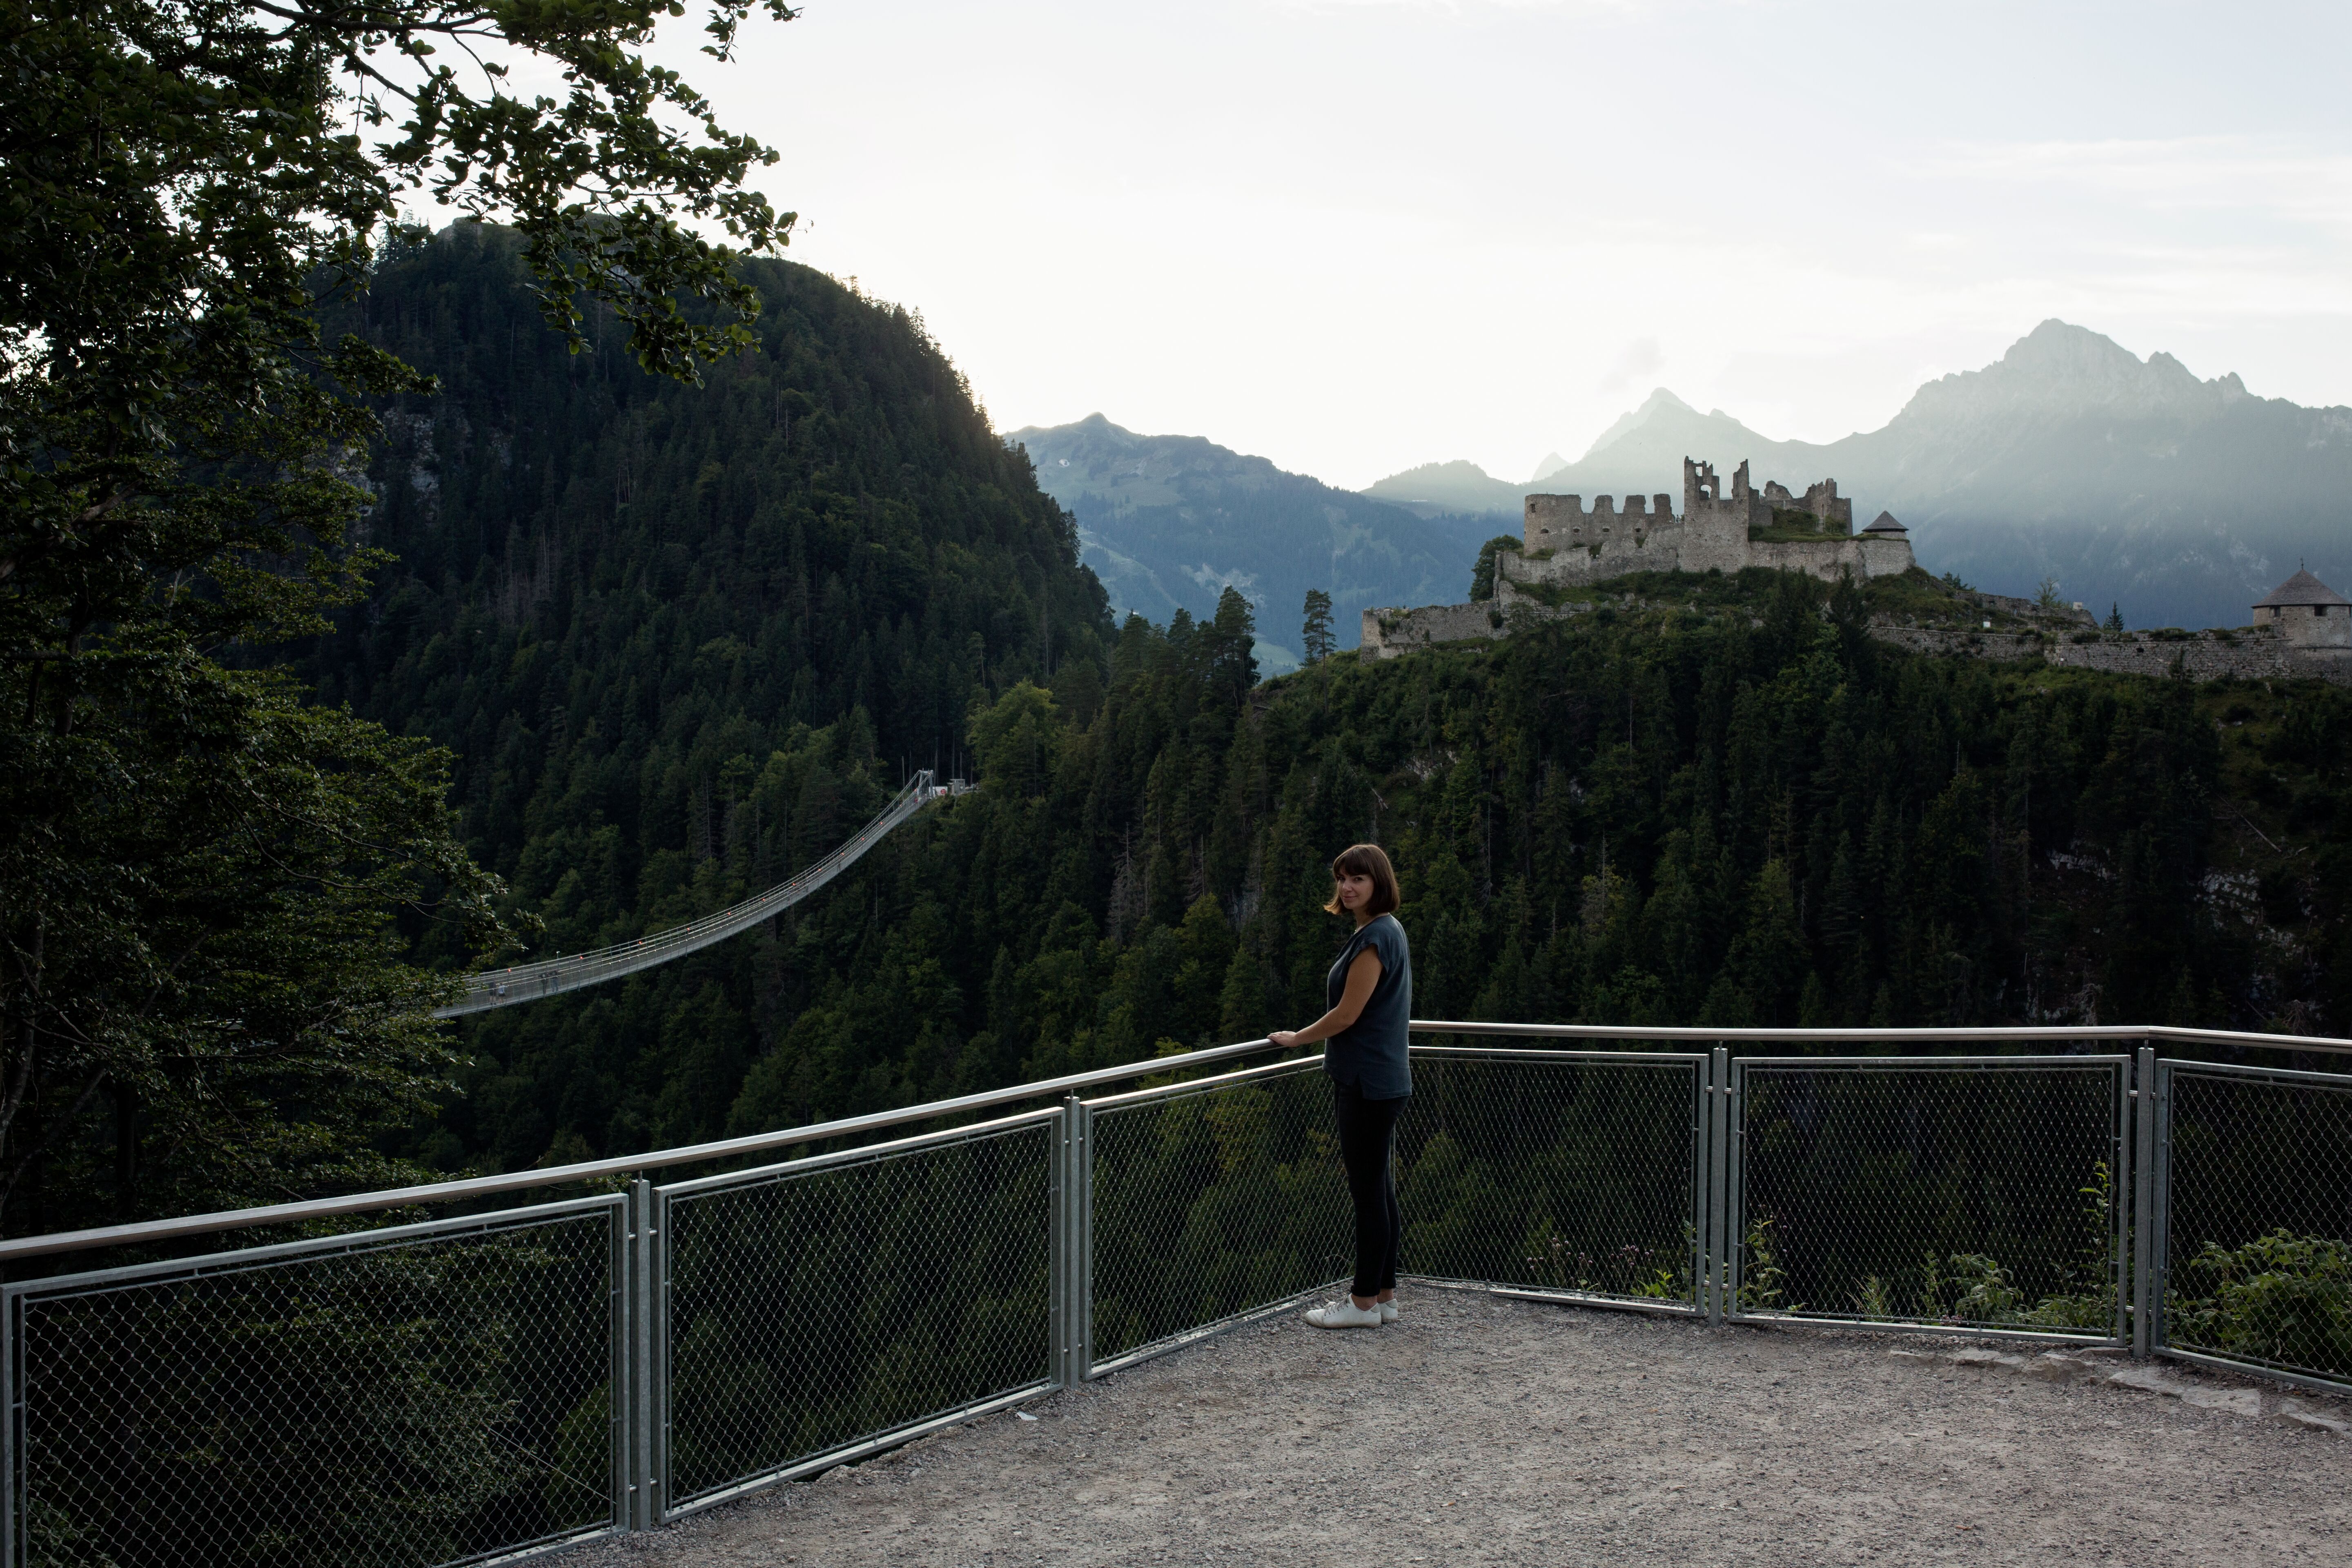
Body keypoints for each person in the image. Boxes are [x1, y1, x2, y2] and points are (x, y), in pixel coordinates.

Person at [1270, 843, 1412, 1330]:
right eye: (1343, 879)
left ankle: (1363, 1303)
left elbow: (1348, 1014)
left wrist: (1297, 1039)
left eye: (1359, 879)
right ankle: (1386, 1297)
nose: (1348, 888)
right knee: (1380, 1190)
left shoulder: (1374, 939)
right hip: (1381, 1079)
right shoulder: (1385, 931)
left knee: (1368, 1192)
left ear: (1379, 884)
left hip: (1366, 1082)